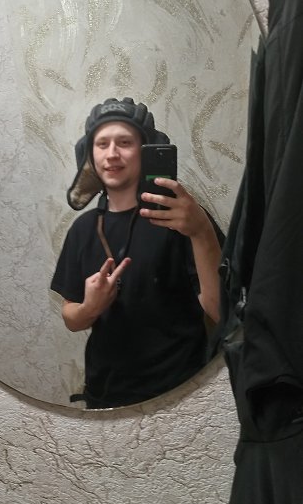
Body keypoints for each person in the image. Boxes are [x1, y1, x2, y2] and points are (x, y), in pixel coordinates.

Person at [51, 97, 223, 409]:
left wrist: (201, 231)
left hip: (182, 395)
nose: (111, 154)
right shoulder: (82, 230)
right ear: (88, 154)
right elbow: (71, 318)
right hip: (106, 400)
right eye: (102, 144)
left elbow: (219, 311)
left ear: (146, 150)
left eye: (124, 142)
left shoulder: (183, 219)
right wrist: (90, 308)